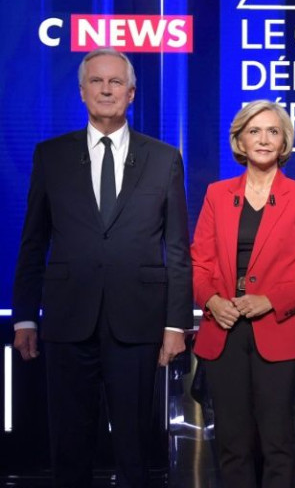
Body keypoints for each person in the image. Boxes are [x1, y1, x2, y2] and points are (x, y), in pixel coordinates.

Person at [12, 48, 192, 488]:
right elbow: (33, 241)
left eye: (115, 82)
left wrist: (175, 324)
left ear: (131, 93)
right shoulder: (50, 155)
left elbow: (178, 248)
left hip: (137, 320)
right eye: (97, 81)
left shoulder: (164, 158)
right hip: (68, 318)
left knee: (134, 446)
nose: (106, 89)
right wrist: (23, 317)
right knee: (69, 444)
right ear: (82, 92)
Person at [191, 100, 295, 488]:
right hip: (224, 329)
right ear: (240, 140)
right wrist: (211, 301)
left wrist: (271, 300)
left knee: (277, 444)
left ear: (284, 140)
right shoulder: (217, 195)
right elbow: (198, 263)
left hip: (277, 331)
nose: (264, 139)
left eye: (273, 131)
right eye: (255, 131)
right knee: (232, 445)